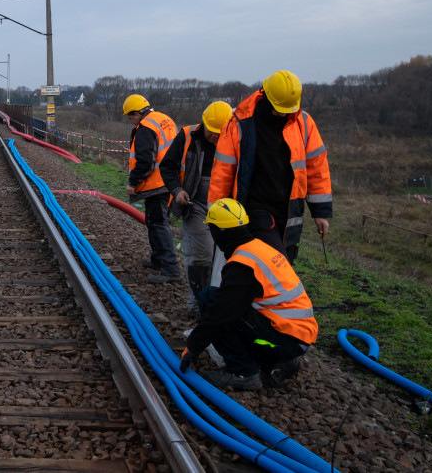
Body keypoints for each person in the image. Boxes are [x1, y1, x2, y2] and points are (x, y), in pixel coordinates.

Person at [179, 198, 318, 390]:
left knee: (211, 301)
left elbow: (221, 314)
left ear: (219, 231)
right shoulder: (259, 248)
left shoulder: (243, 265)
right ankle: (276, 363)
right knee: (227, 305)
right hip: (296, 336)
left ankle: (242, 372)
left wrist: (193, 346)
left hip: (285, 339)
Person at [208, 70, 332, 263]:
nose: (283, 114)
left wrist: (321, 212)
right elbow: (222, 173)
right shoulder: (240, 124)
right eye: (278, 108)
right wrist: (215, 215)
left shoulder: (304, 123)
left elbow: (317, 168)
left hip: (290, 211)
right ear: (265, 95)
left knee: (282, 265)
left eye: (287, 109)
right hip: (256, 208)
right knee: (275, 265)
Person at [160, 101, 233, 319]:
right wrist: (177, 190)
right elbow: (167, 166)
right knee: (201, 255)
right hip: (196, 204)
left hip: (228, 208)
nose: (216, 137)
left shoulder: (235, 139)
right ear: (204, 124)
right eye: (213, 132)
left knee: (227, 258)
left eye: (221, 133)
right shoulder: (187, 136)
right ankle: (198, 305)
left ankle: (219, 305)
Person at [123, 94, 182, 284]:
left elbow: (145, 161)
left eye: (130, 117)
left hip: (156, 183)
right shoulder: (165, 120)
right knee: (154, 220)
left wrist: (133, 183)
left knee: (158, 223)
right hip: (170, 179)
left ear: (137, 113)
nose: (130, 121)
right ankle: (158, 259)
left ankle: (171, 268)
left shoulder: (145, 128)